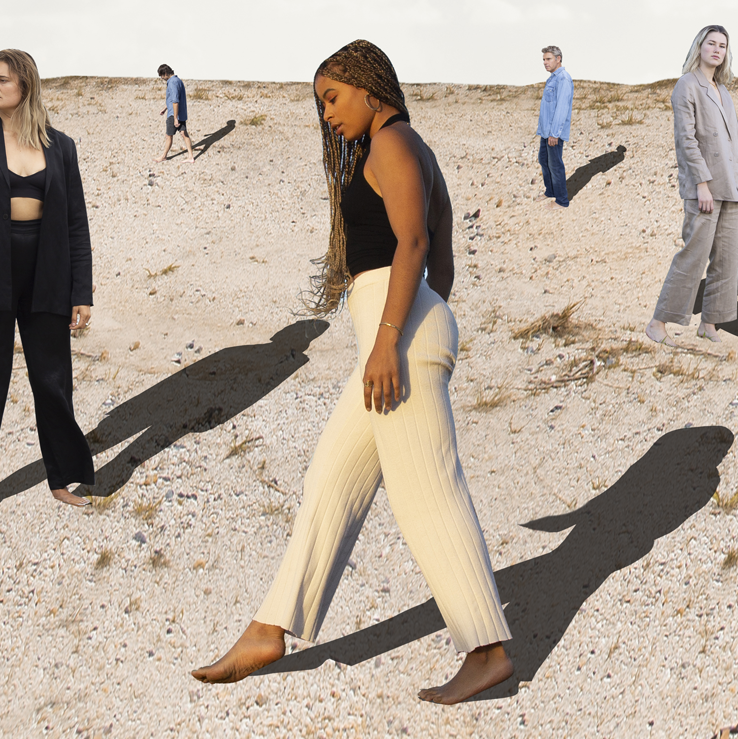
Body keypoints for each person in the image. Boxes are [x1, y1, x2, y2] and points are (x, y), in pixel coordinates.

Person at [192, 40, 513, 704]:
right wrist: (422, 319)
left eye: (333, 97)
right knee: (331, 480)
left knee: (427, 491)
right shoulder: (410, 149)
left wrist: (396, 336)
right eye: (320, 103)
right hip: (401, 325)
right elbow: (441, 253)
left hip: (395, 333)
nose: (327, 113)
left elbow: (418, 244)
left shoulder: (394, 144)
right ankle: (270, 628)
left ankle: (485, 649)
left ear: (372, 88)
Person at [0, 49, 96, 516]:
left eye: (2, 79)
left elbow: (76, 223)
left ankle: (63, 477)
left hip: (46, 273)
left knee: (53, 381)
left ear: (25, 86)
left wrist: (82, 291)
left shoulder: (61, 145)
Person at [645, 25, 738, 345]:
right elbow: (686, 140)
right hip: (705, 187)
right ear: (700, 47)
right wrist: (701, 184)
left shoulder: (723, 90)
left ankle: (710, 325)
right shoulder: (686, 86)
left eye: (722, 45)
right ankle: (658, 322)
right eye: (711, 43)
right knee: (694, 256)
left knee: (726, 258)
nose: (717, 50)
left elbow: (733, 141)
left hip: (732, 186)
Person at [533, 46, 573, 208]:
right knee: (544, 160)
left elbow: (562, 108)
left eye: (548, 59)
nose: (545, 63)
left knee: (555, 165)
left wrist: (555, 134)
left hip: (553, 133)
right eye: (543, 59)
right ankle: (550, 191)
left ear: (558, 59)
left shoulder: (563, 79)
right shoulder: (552, 78)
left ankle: (562, 200)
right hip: (546, 131)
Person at [157, 63, 197, 162]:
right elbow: (174, 98)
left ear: (165, 73)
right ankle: (191, 157)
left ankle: (164, 156)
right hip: (181, 112)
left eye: (162, 75)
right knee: (184, 133)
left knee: (168, 136)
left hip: (174, 114)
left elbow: (175, 101)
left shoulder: (172, 83)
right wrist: (165, 108)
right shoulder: (178, 80)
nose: (162, 78)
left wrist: (175, 118)